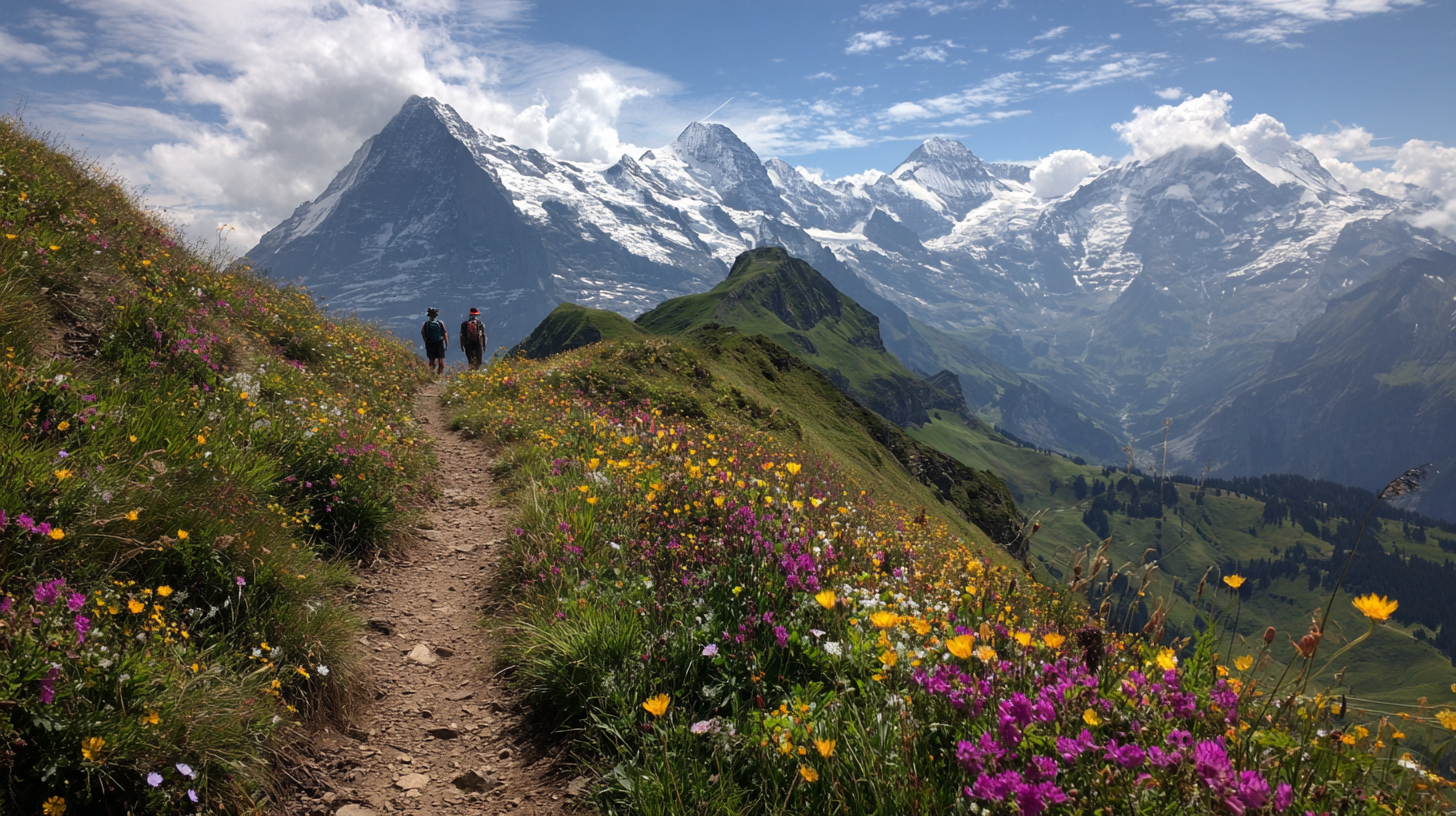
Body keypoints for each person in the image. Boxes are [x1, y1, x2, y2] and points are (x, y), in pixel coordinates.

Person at [421, 307, 448, 375]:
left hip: (430, 344)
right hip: (439, 343)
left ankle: (431, 374)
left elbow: (423, 333)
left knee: (432, 360)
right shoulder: (440, 323)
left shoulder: (425, 324)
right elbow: (444, 332)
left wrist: (426, 341)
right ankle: (440, 375)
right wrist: (446, 343)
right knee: (441, 361)